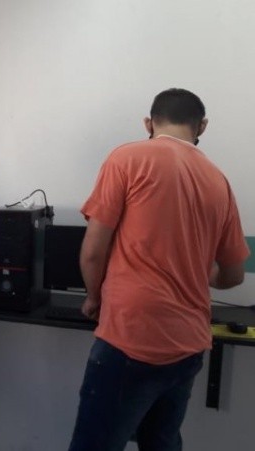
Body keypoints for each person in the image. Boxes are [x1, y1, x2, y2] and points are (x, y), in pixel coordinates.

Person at [69, 88, 250, 451]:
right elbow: (233, 275)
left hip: (131, 336)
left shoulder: (127, 158)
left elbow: (92, 253)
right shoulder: (218, 181)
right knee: (161, 443)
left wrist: (93, 298)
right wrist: (200, 271)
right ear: (202, 126)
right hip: (188, 344)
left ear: (148, 123)